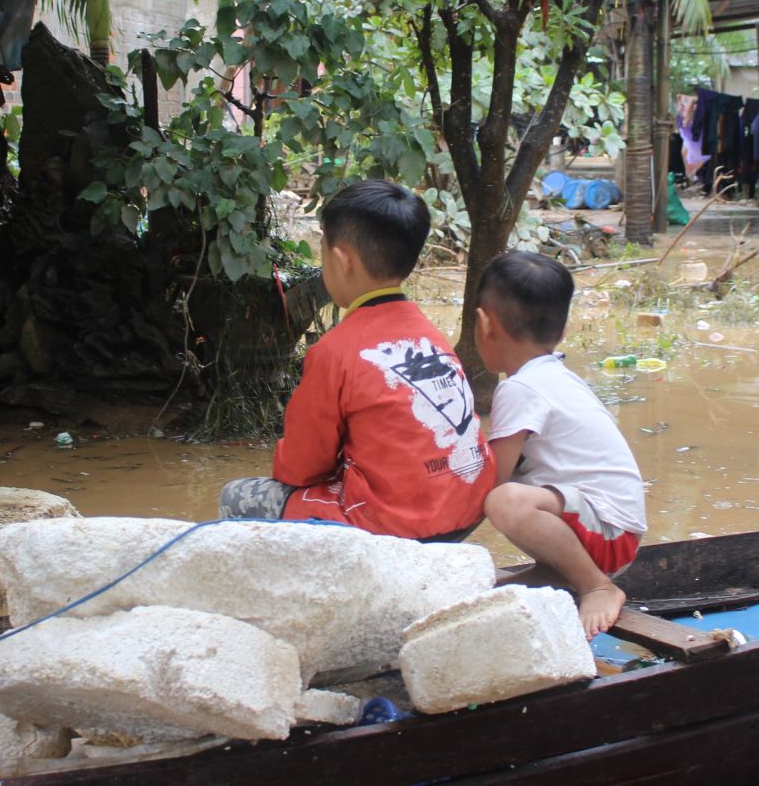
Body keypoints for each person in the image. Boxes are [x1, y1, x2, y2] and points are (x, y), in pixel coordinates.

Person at [218, 180, 493, 540]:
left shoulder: (334, 351)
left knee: (236, 497)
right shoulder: (431, 336)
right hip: (469, 506)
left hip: (399, 524)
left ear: (339, 260)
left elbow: (300, 470)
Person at [475, 250, 647, 637]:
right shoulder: (553, 375)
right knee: (515, 498)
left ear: (484, 324)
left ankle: (596, 585)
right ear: (562, 331)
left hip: (610, 536)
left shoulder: (520, 388)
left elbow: (494, 480)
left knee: (504, 501)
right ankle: (555, 571)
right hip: (609, 526)